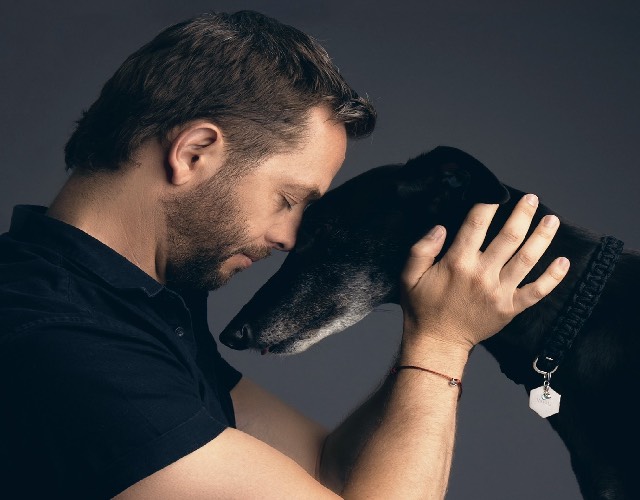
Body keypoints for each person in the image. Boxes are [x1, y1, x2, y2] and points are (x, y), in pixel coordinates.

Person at [0, 10, 570, 499]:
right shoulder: (54, 335)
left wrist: (427, 325)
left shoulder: (132, 301)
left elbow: (330, 471)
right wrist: (442, 344)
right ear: (194, 152)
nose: (289, 237)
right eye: (288, 199)